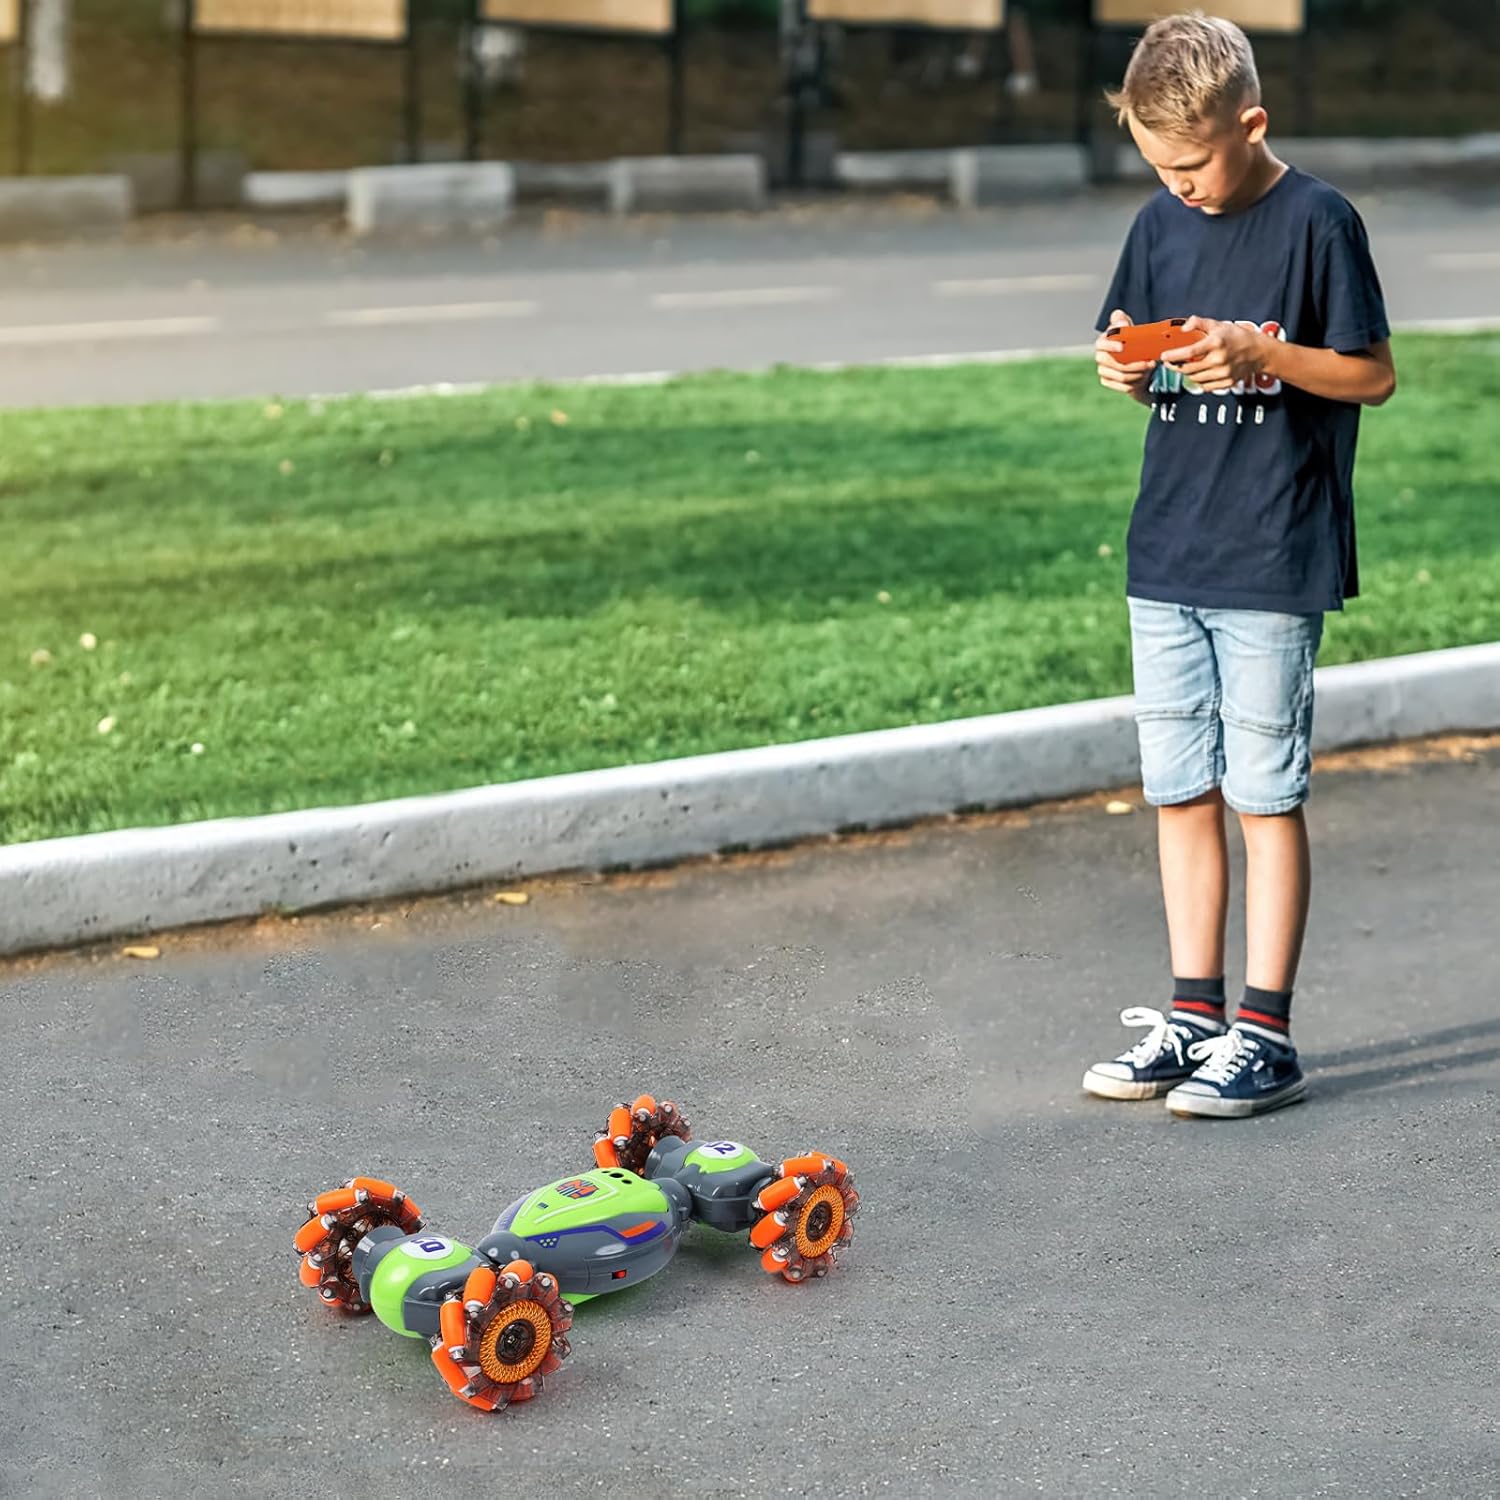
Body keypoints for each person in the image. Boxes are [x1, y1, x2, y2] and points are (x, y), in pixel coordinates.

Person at [1082, 11, 1396, 1119]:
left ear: (1250, 122)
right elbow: (1147, 355)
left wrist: (1263, 350)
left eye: (1195, 163)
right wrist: (1132, 372)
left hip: (1272, 550)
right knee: (1177, 789)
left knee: (1264, 794)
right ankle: (1192, 1017)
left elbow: (1371, 377)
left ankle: (1266, 1033)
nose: (1181, 187)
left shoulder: (1319, 222)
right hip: (1169, 547)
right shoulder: (1160, 225)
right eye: (1158, 166)